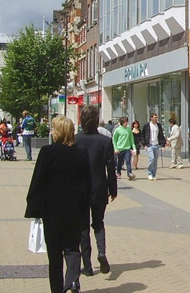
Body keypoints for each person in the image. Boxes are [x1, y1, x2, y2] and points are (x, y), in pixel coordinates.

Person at [25, 115, 91, 293]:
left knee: (54, 254)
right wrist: (86, 209)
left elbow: (37, 181)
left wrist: (33, 206)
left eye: (54, 129)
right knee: (72, 248)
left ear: (59, 132)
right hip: (75, 210)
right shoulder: (81, 153)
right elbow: (87, 183)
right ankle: (73, 281)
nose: (51, 132)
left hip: (52, 210)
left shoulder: (47, 152)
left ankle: (57, 289)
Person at [75, 105, 117, 277]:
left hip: (80, 189)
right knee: (99, 223)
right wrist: (113, 189)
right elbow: (111, 168)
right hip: (99, 188)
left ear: (82, 120)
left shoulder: (75, 140)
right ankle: (102, 252)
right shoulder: (105, 141)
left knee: (82, 227)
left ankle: (87, 265)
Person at [141, 113, 166, 181]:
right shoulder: (147, 125)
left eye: (156, 117)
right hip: (149, 145)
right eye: (155, 117)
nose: (156, 119)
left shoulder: (158, 125)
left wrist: (163, 145)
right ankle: (149, 173)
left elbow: (161, 135)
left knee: (155, 160)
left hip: (156, 145)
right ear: (151, 118)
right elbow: (143, 135)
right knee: (151, 158)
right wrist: (144, 144)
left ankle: (154, 174)